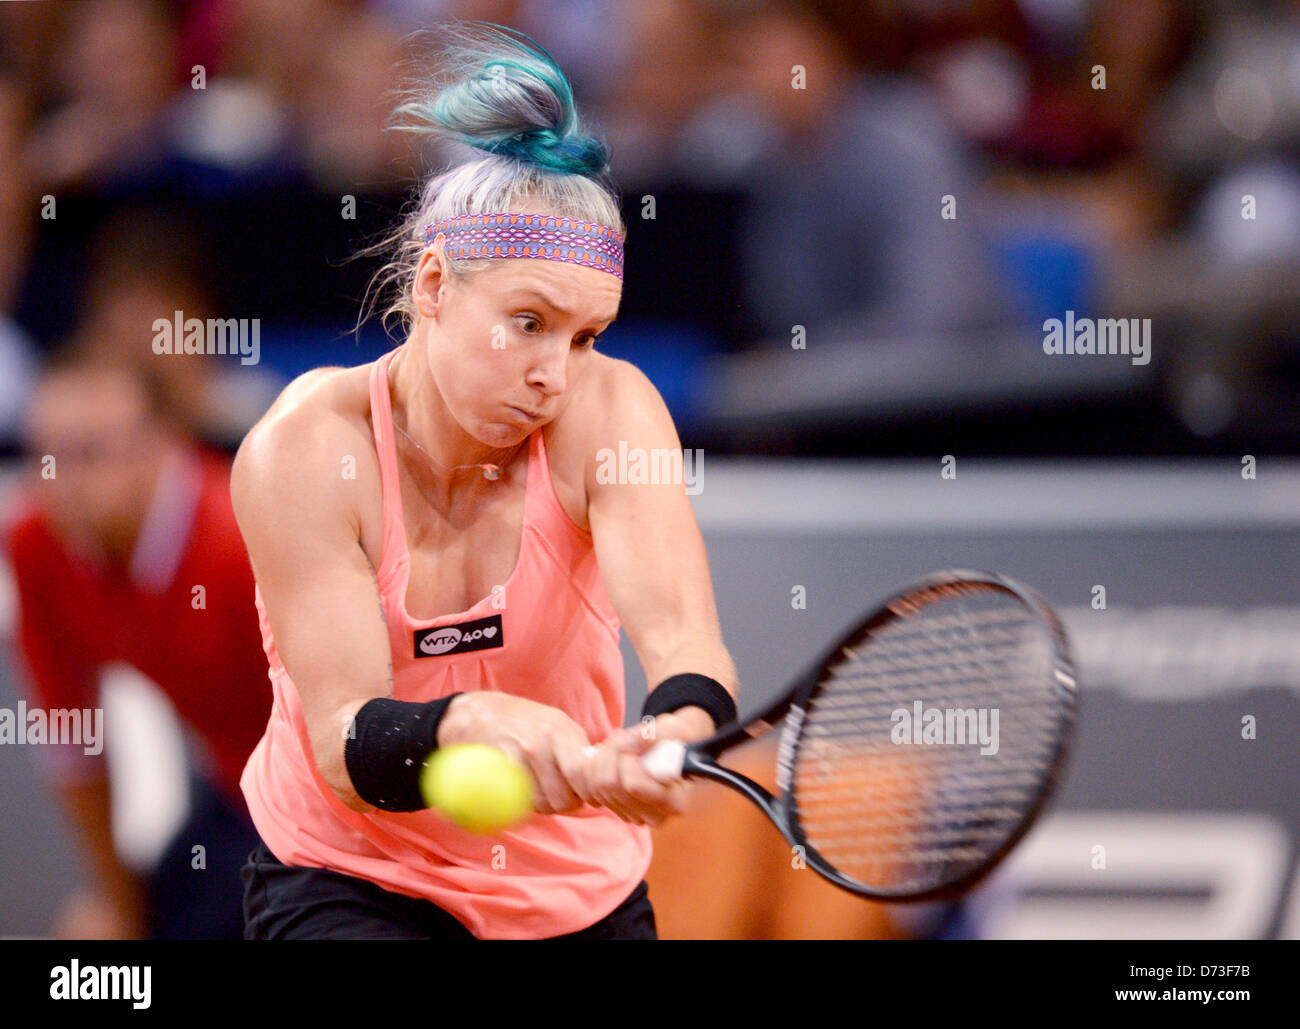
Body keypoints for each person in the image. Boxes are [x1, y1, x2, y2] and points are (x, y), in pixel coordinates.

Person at [234, 24, 738, 940]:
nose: (557, 370)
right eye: (529, 321)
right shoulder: (306, 448)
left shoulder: (611, 414)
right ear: (433, 284)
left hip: (574, 892)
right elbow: (346, 741)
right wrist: (470, 718)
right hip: (349, 873)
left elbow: (685, 644)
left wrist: (676, 728)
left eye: (585, 335)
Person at [4, 350, 270, 939]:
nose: (60, 483)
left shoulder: (242, 543)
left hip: (334, 804)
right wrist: (121, 908)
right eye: (42, 457)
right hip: (235, 793)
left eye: (88, 455)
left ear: (162, 444)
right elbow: (72, 740)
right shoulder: (33, 544)